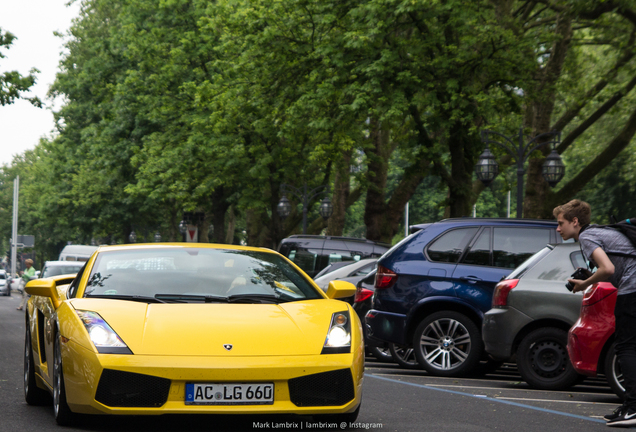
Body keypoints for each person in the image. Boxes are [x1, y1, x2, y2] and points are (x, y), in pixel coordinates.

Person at [554, 199, 636, 427]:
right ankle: (630, 406)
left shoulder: (588, 237)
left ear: (575, 221)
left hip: (633, 289)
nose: (558, 228)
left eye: (561, 223)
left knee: (626, 347)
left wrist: (584, 284)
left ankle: (633, 408)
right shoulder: (600, 232)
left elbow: (607, 268)